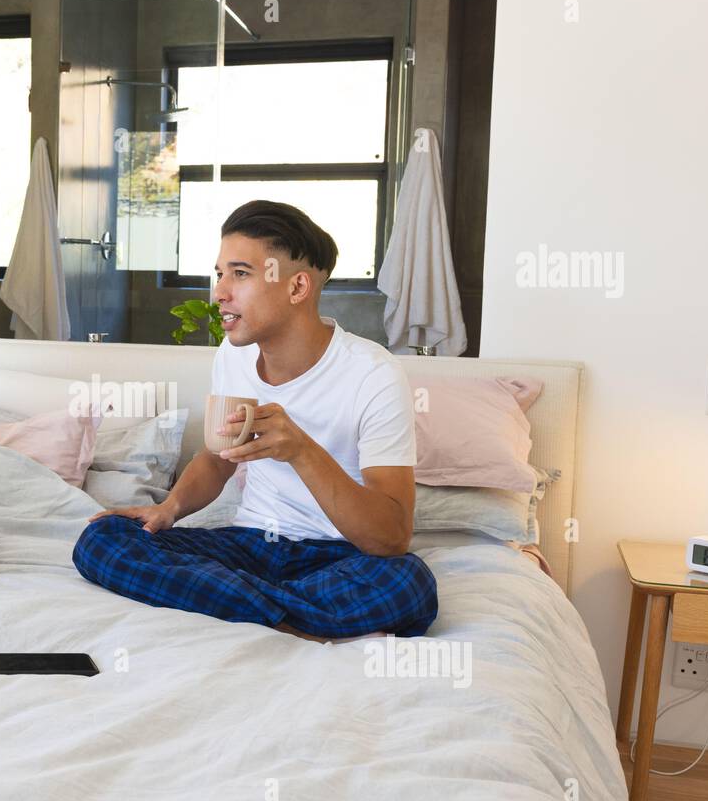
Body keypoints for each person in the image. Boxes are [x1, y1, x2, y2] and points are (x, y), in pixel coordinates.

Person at [73, 200, 437, 641]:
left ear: (297, 286)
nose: (219, 292)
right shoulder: (234, 355)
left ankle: (236, 602)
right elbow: (217, 459)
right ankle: (292, 619)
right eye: (220, 273)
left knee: (407, 583)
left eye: (240, 274)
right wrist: (169, 509)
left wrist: (301, 451)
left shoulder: (373, 374)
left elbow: (391, 537)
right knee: (104, 540)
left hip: (340, 557)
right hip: (250, 545)